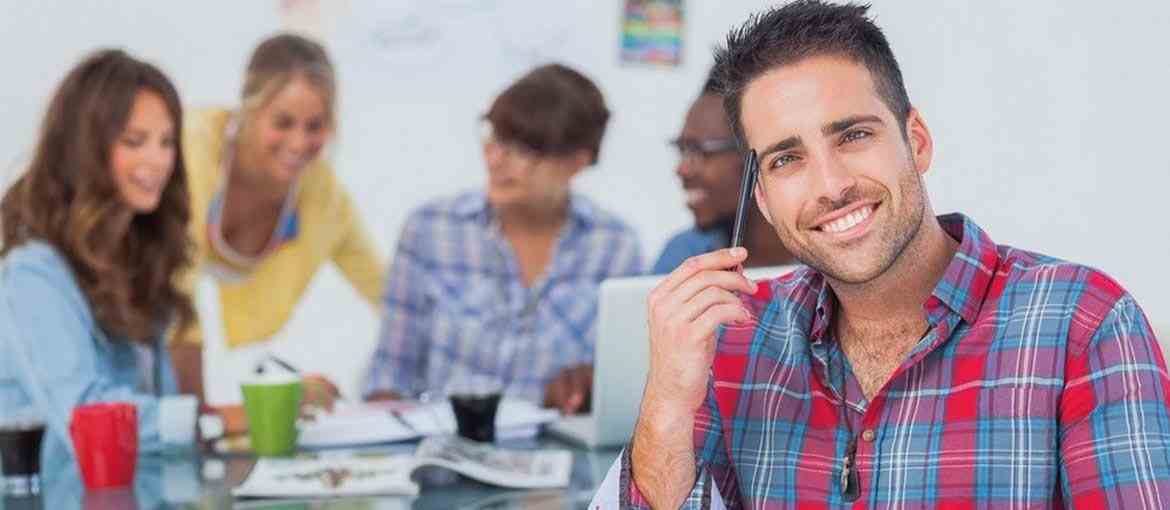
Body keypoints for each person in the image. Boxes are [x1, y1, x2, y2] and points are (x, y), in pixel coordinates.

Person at [598, 2, 1170, 508]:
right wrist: (666, 401)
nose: (831, 185)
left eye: (853, 136)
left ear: (916, 141)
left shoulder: (1084, 324)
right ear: (764, 200)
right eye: (786, 159)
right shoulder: (734, 337)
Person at [364, 64, 643, 414]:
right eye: (495, 138)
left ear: (576, 161)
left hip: (556, 447)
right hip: (438, 444)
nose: (495, 159)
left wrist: (585, 389)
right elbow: (389, 375)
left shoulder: (615, 248)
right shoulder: (430, 229)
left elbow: (620, 390)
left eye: (522, 150)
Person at [0, 50, 198, 476]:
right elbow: (85, 418)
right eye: (135, 141)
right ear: (83, 150)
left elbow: (158, 416)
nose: (158, 160)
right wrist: (204, 422)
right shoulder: (34, 274)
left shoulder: (139, 261)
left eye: (166, 142)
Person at [169, 34, 384, 419]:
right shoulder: (193, 146)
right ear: (249, 110)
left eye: (315, 126)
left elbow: (388, 290)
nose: (299, 143)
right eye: (283, 122)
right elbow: (177, 292)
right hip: (135, 318)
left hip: (201, 356)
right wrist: (199, 419)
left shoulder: (323, 197)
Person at [653, 71, 795, 274]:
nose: (681, 170)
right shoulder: (682, 255)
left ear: (757, 157)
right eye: (682, 150)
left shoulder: (826, 259)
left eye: (697, 150)